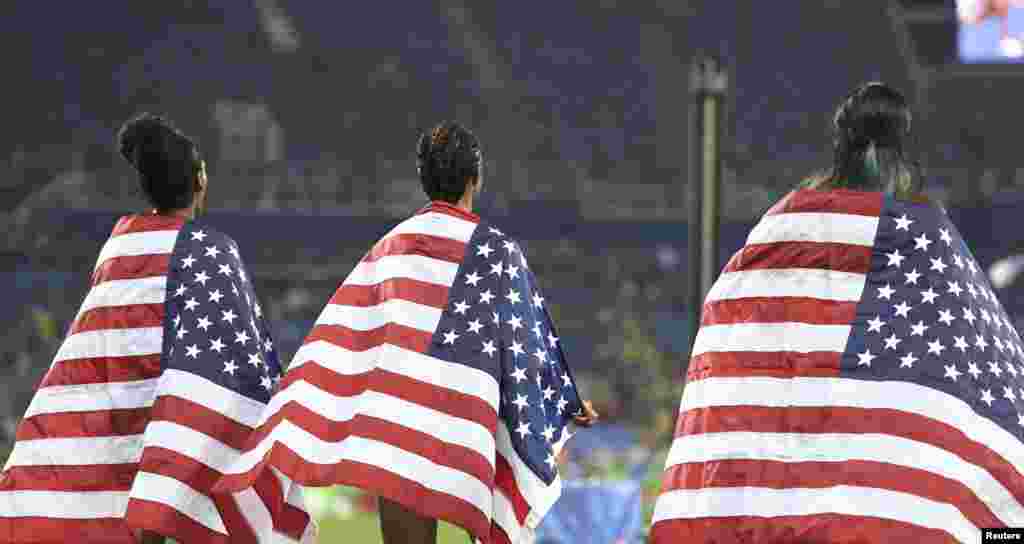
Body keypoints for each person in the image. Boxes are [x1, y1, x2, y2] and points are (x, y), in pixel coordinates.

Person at [650, 83, 1024, 541]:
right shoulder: (926, 233)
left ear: (840, 140)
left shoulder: (779, 227)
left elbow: (726, 332)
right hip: (877, 516)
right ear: (902, 142)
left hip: (766, 507)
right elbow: (985, 370)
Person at [215, 121, 599, 544]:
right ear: (476, 179)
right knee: (492, 510)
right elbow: (526, 345)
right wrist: (561, 403)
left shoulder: (390, 246)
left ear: (423, 179)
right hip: (467, 416)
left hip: (397, 418)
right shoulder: (495, 250)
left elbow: (349, 332)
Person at [0, 113, 313, 543]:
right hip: (180, 409)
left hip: (122, 403)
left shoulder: (120, 242)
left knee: (139, 507)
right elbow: (239, 354)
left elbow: (101, 331)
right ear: (200, 179)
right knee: (166, 495)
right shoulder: (213, 249)